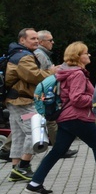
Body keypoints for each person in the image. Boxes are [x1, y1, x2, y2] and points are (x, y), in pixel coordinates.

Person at [26, 42, 96, 194]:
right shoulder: (77, 74)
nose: (89, 55)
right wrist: (95, 100)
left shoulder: (67, 71)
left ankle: (35, 183)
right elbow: (76, 98)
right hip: (77, 117)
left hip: (66, 117)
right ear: (78, 56)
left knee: (58, 150)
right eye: (86, 53)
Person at [4, 28, 59, 182]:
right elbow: (35, 76)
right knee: (35, 131)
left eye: (37, 38)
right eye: (32, 39)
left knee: (18, 135)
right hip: (22, 102)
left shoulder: (17, 54)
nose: (36, 41)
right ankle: (23, 165)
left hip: (15, 101)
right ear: (22, 40)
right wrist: (52, 72)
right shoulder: (23, 57)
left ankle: (16, 170)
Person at [33, 29, 77, 159]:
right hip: (43, 93)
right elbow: (41, 74)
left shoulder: (42, 53)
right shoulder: (40, 54)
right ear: (41, 42)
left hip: (41, 92)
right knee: (50, 119)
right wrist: (54, 71)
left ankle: (6, 148)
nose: (53, 42)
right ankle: (61, 149)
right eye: (50, 40)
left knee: (30, 120)